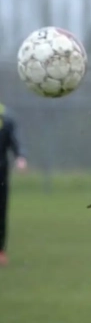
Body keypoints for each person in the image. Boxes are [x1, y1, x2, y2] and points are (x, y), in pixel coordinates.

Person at [0, 102, 27, 266]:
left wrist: (20, 156)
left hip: (1, 173)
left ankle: (0, 250)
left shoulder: (5, 118)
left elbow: (15, 141)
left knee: (1, 211)